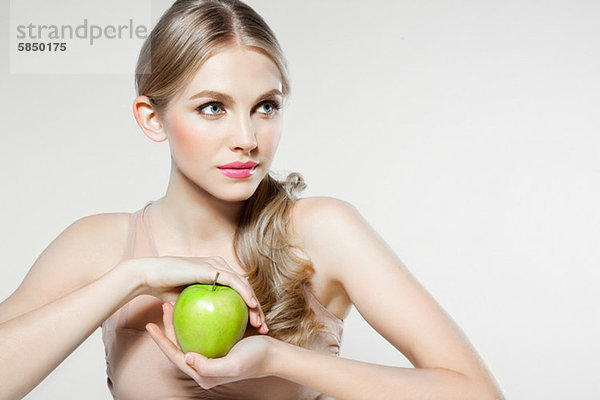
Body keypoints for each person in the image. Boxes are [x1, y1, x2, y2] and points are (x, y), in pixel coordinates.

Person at [0, 0, 505, 399]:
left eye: (266, 106)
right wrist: (134, 277)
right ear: (152, 118)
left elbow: (477, 394)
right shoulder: (101, 244)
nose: (247, 137)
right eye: (213, 107)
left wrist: (276, 359)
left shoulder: (323, 232)